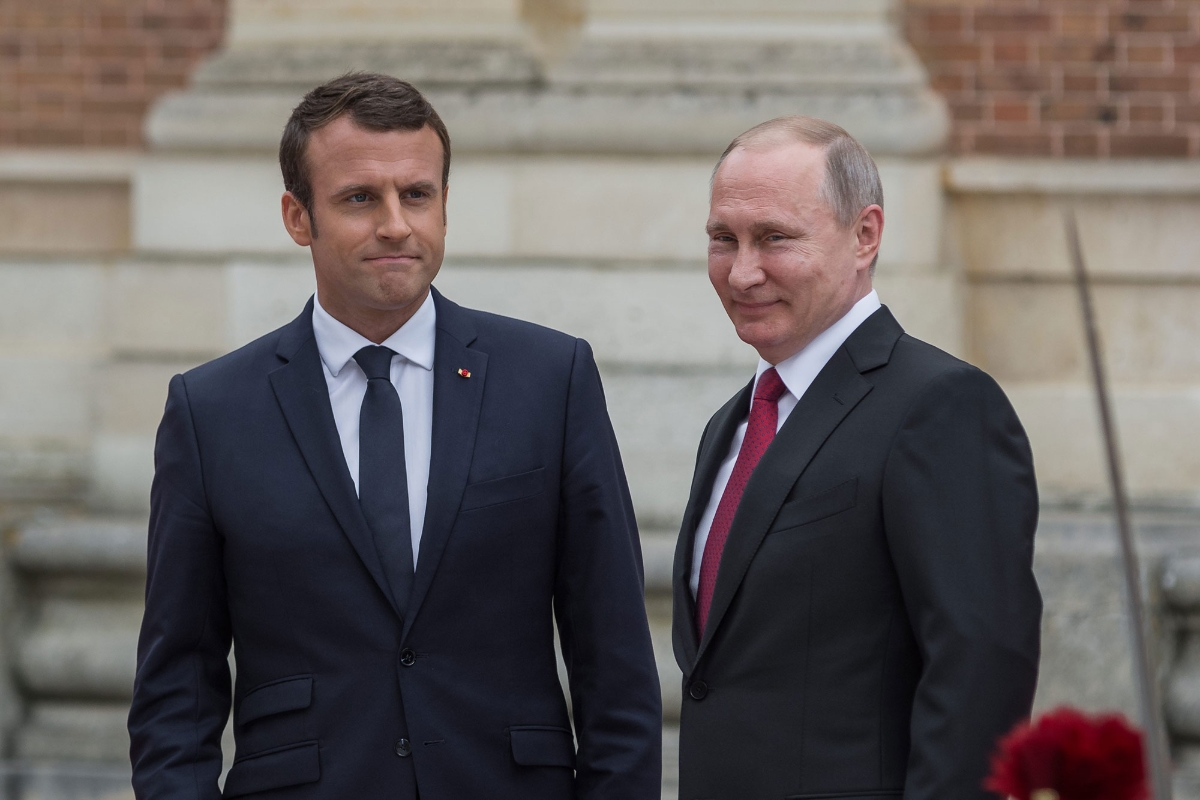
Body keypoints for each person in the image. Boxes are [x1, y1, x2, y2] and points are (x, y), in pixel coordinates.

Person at [128, 72, 661, 800]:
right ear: (297, 216)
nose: (395, 225)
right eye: (359, 198)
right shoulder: (211, 409)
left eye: (418, 194)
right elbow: (176, 690)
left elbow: (615, 657)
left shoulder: (550, 379)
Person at [671, 116, 1042, 799]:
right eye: (724, 239)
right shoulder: (733, 424)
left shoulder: (941, 406)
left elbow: (980, 671)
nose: (742, 270)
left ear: (864, 234)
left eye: (775, 238)